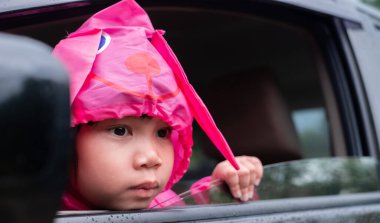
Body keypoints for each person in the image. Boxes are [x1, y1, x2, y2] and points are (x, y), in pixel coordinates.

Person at [53, 0, 263, 210]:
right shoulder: (31, 219)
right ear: (64, 143)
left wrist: (223, 188)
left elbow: (200, 218)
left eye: (163, 133)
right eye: (119, 130)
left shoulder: (165, 205)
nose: (152, 158)